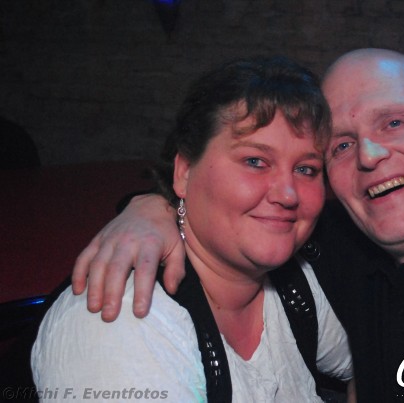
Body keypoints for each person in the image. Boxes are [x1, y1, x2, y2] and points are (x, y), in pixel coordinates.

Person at [71, 49, 404, 401]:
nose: (370, 155)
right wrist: (153, 208)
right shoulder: (334, 241)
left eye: (394, 122)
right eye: (341, 146)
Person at [32, 56, 354, 402]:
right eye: (255, 161)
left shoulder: (297, 286)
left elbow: (374, 364)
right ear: (184, 171)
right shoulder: (122, 319)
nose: (288, 194)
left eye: (306, 169)